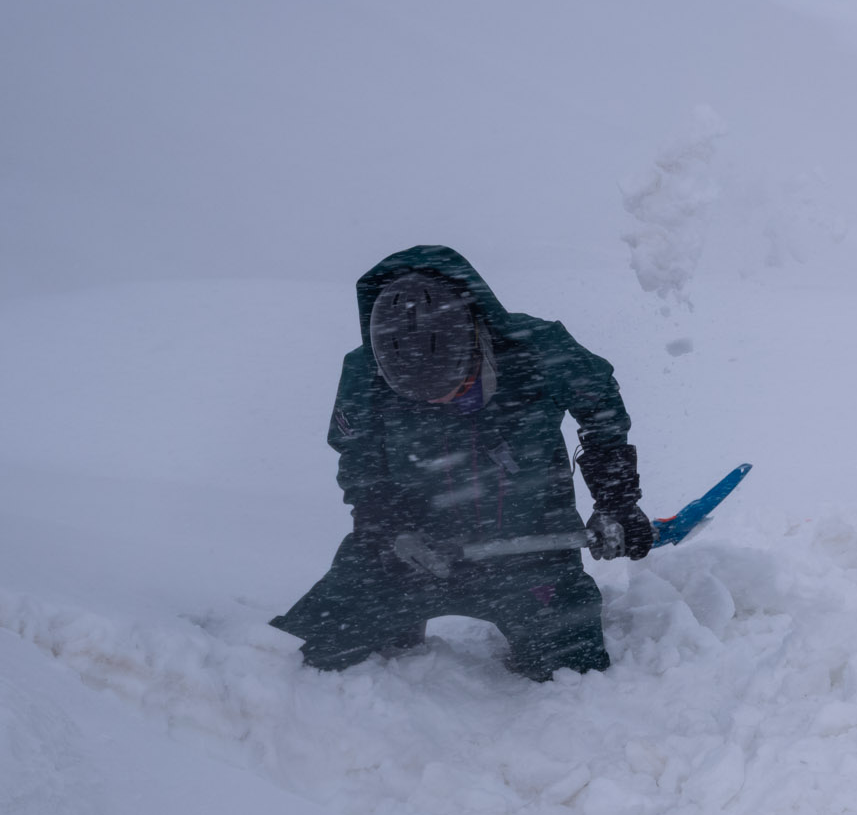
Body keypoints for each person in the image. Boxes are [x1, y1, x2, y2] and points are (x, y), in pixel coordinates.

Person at [272, 245, 654, 680]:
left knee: (575, 674)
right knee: (296, 659)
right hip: (409, 555)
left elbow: (602, 410)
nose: (442, 402)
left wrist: (616, 502)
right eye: (425, 400)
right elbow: (359, 459)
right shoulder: (363, 375)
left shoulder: (537, 349)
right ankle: (396, 619)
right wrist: (386, 529)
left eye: (459, 387)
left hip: (534, 554)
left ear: (477, 338)